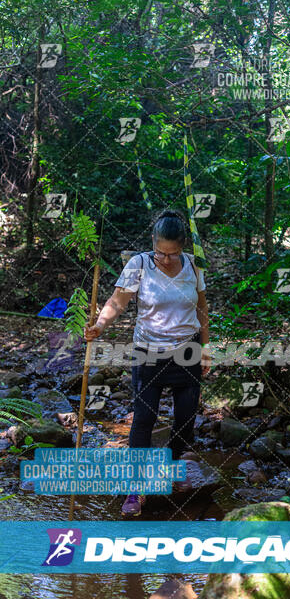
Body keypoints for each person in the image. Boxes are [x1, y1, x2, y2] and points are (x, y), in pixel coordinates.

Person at [84, 209, 211, 515]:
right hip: (149, 352)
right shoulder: (139, 264)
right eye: (160, 253)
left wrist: (206, 348)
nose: (165, 260)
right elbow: (117, 302)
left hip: (187, 351)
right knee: (144, 418)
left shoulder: (193, 265)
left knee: (185, 417)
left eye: (173, 253)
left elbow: (203, 309)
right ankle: (135, 488)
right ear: (152, 242)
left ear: (183, 247)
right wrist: (100, 326)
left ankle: (172, 466)